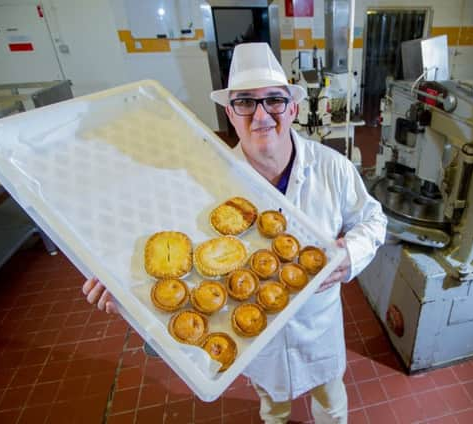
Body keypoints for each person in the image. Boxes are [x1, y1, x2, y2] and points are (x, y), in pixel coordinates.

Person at [83, 42, 387, 424]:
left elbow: (373, 221)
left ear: (293, 108)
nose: (261, 116)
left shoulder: (333, 169)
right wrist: (128, 293)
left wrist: (350, 254)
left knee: (330, 402)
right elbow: (178, 266)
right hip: (254, 339)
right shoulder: (206, 181)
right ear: (230, 113)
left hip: (317, 325)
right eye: (245, 102)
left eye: (274, 101)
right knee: (272, 406)